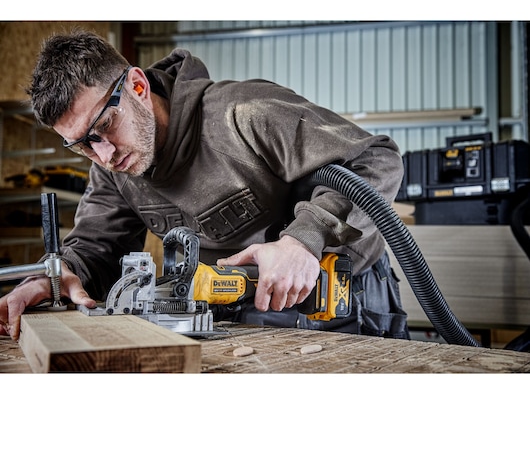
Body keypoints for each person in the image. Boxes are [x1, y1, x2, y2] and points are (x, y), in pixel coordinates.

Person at [0, 30, 409, 341]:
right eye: (83, 145)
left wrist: (303, 240)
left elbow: (377, 159)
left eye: (105, 126)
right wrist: (52, 277)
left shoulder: (244, 115)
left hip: (338, 299)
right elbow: (96, 247)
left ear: (138, 87)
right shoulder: (114, 168)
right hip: (234, 314)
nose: (103, 155)